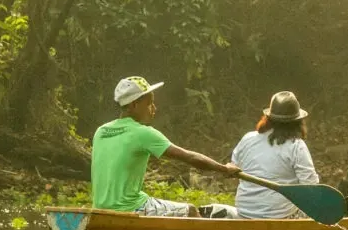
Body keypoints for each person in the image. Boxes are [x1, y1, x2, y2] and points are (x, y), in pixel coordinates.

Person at [90, 75, 243, 217]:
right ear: (134, 105)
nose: (154, 109)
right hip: (131, 207)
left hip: (100, 208)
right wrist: (224, 169)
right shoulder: (143, 133)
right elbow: (189, 157)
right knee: (190, 211)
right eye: (149, 104)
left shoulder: (101, 131)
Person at [229, 91, 320, 218]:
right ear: (297, 122)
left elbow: (233, 169)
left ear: (268, 118)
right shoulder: (296, 146)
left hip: (245, 213)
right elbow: (310, 188)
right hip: (281, 216)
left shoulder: (247, 139)